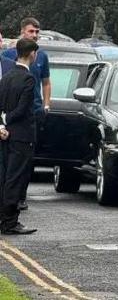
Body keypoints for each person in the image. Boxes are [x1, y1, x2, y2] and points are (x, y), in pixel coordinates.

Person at [2, 18, 50, 211]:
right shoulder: (9, 58)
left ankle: (19, 196)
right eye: (31, 31)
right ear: (22, 32)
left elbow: (46, 82)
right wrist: (5, 118)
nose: (35, 35)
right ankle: (9, 202)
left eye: (37, 32)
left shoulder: (42, 57)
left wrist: (46, 104)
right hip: (15, 116)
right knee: (12, 162)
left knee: (26, 160)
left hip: (34, 112)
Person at [0, 38, 39, 235]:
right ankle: (10, 221)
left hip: (6, 135)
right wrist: (7, 118)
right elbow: (23, 109)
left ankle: (4, 218)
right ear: (32, 53)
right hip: (22, 135)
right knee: (17, 178)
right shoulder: (28, 79)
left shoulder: (6, 77)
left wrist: (2, 123)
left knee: (6, 176)